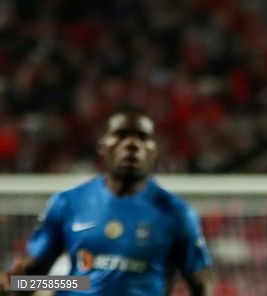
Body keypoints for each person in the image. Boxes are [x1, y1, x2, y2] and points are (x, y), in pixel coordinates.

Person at [4, 105, 213, 296]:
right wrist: (14, 285)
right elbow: (34, 279)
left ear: (154, 151)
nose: (131, 144)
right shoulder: (68, 203)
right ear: (103, 146)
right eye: (121, 135)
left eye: (142, 137)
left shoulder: (177, 214)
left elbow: (201, 287)